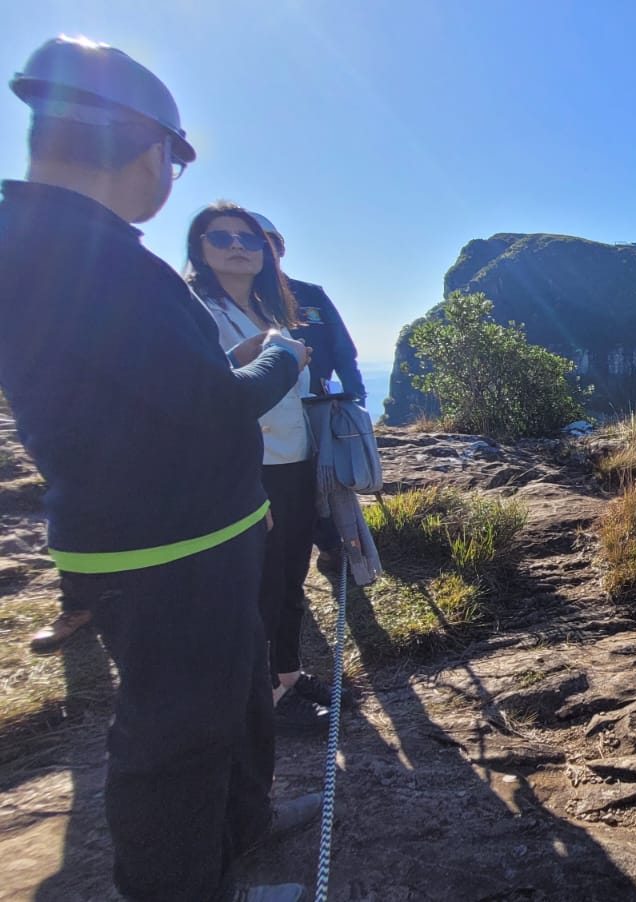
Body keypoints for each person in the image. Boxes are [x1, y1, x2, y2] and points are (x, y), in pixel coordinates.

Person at [0, 37, 313, 902]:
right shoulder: (93, 258)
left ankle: (244, 828)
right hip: (168, 550)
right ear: (148, 149)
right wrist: (281, 357)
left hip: (187, 532)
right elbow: (214, 406)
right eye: (174, 158)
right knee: (176, 737)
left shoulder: (42, 240)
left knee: (239, 693)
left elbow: (155, 393)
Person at [186, 203, 333, 732]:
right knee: (257, 585)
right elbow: (204, 403)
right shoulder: (193, 310)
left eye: (249, 239)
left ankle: (287, 674)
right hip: (247, 467)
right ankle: (260, 698)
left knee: (290, 575)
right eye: (220, 237)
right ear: (198, 248)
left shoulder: (270, 313)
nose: (237, 246)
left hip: (292, 460)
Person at [249, 211, 367, 578]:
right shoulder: (227, 301)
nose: (266, 250)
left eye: (273, 242)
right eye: (257, 240)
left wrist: (355, 400)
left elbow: (342, 349)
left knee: (325, 484)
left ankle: (332, 546)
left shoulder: (310, 295)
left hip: (315, 407)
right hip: (255, 415)